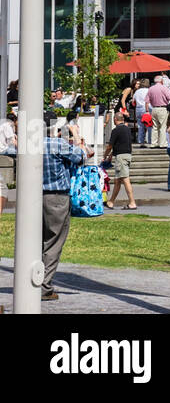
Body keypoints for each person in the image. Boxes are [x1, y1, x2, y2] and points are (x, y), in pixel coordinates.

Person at [40, 122, 87, 300]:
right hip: (57, 197)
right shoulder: (58, 144)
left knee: (36, 241)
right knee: (54, 241)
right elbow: (83, 156)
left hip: (33, 197)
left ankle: (30, 281)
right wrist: (75, 135)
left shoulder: (29, 144)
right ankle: (44, 286)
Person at [103, 111, 138, 210]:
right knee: (118, 180)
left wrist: (105, 155)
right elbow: (123, 143)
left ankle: (132, 202)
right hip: (127, 155)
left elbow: (110, 145)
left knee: (125, 179)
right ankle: (111, 202)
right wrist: (111, 155)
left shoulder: (116, 130)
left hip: (121, 157)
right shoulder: (127, 129)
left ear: (115, 119)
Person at [147, 75, 170, 149]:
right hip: (162, 108)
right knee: (163, 126)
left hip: (154, 108)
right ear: (161, 81)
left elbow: (147, 100)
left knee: (155, 126)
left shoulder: (150, 89)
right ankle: (162, 144)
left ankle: (153, 143)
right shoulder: (164, 88)